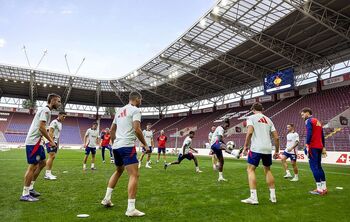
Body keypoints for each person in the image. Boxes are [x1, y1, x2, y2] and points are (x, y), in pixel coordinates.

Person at [101, 91, 149, 217]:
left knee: (119, 171)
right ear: (137, 99)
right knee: (134, 175)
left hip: (116, 146)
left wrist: (114, 144)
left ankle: (107, 198)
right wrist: (145, 144)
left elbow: (112, 130)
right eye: (141, 100)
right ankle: (131, 209)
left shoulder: (119, 111)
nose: (141, 102)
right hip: (127, 146)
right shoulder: (135, 111)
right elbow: (137, 129)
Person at [20, 93, 61, 202]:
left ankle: (31, 188)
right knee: (32, 167)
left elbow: (43, 128)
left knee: (42, 163)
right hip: (34, 142)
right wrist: (51, 141)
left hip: (38, 142)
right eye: (58, 101)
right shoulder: (46, 110)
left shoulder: (46, 110)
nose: (59, 104)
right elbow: (42, 128)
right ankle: (25, 193)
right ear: (52, 100)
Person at [241, 102, 280, 205]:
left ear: (253, 109)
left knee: (250, 169)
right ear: (262, 109)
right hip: (267, 148)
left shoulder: (251, 118)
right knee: (267, 170)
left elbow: (249, 132)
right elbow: (276, 137)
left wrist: (245, 146)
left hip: (256, 148)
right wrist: (276, 151)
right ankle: (273, 197)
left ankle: (254, 198)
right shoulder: (269, 120)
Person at [300, 107, 327, 195]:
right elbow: (322, 135)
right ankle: (324, 188)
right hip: (319, 146)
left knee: (314, 167)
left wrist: (307, 144)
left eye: (303, 114)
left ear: (307, 113)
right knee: (319, 167)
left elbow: (309, 133)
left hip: (313, 147)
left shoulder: (308, 121)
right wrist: (323, 146)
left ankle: (319, 189)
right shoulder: (317, 121)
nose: (302, 116)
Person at [44, 111, 67, 180]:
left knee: (52, 157)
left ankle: (49, 173)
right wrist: (51, 142)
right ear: (59, 115)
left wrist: (57, 144)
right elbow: (50, 132)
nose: (64, 118)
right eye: (63, 116)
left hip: (55, 141)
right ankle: (47, 174)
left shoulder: (60, 124)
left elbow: (58, 135)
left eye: (65, 116)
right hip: (50, 140)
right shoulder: (54, 122)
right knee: (51, 156)